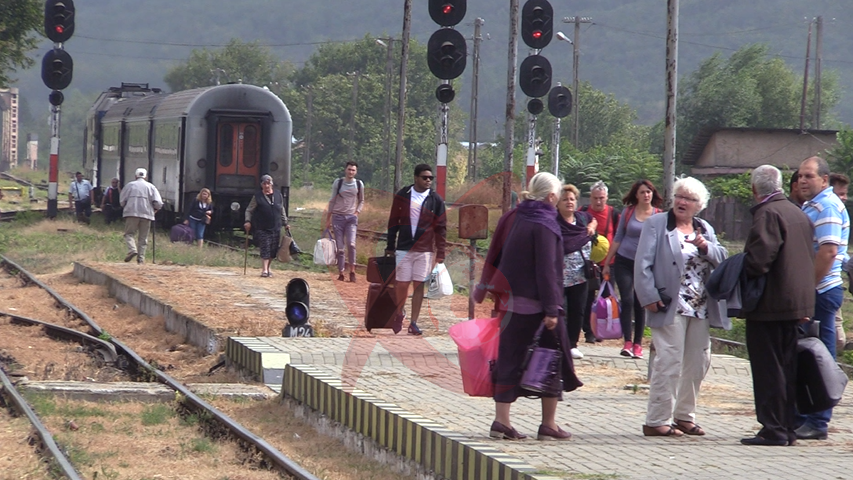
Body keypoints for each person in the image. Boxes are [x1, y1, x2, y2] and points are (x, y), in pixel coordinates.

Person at [475, 172, 582, 441]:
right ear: (551, 196)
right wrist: (551, 308)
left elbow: (494, 251)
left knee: (508, 358)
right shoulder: (545, 223)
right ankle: (548, 424)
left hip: (510, 302)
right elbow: (547, 269)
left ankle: (501, 422)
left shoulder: (513, 216)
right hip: (539, 306)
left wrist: (484, 286)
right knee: (552, 358)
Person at [635, 176, 729, 437]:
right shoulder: (656, 224)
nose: (682, 202)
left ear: (699, 205)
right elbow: (642, 264)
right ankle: (656, 420)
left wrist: (705, 246)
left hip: (700, 305)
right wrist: (649, 296)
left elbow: (722, 258)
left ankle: (685, 416)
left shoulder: (704, 228)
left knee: (698, 362)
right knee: (669, 360)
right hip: (669, 304)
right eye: (679, 196)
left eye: (689, 198)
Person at [740, 165, 815, 446]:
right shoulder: (798, 212)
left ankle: (773, 428)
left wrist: (738, 270)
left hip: (771, 303)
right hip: (797, 303)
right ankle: (787, 427)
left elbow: (759, 260)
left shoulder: (767, 213)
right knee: (787, 367)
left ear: (755, 189)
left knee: (768, 368)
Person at [795, 156, 849, 440]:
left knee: (819, 358)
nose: (803, 181)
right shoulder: (813, 205)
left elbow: (827, 252)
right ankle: (805, 415)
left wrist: (807, 286)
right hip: (815, 290)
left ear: (824, 180)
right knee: (808, 354)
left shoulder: (827, 206)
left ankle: (818, 420)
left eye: (809, 176)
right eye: (801, 176)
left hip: (821, 291)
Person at [602, 180, 664, 359]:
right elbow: (618, 237)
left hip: (645, 265)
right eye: (643, 192)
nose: (646, 195)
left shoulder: (659, 215)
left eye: (649, 192)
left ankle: (638, 344)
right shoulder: (628, 213)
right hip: (624, 261)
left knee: (640, 302)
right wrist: (607, 262)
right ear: (636, 195)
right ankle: (627, 341)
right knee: (627, 299)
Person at [385, 164, 447, 335]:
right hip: (404, 247)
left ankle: (414, 322)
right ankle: (399, 313)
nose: (428, 181)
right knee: (402, 284)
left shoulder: (435, 200)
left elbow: (441, 228)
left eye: (430, 178)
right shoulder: (403, 196)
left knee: (419, 285)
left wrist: (440, 252)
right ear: (415, 178)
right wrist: (390, 245)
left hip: (424, 249)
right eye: (424, 177)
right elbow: (393, 222)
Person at [556, 184, 597, 360]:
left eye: (572, 199)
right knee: (560, 311)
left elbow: (593, 219)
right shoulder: (554, 221)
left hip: (580, 275)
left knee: (577, 311)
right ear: (557, 203)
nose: (569, 202)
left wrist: (592, 226)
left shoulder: (581, 218)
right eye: (564, 199)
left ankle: (572, 344)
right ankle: (559, 343)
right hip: (558, 276)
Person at [580, 181, 621, 344]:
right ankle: (588, 331)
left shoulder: (614, 214)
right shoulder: (582, 213)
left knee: (605, 299)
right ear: (590, 198)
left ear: (607, 198)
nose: (598, 202)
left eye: (601, 198)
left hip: (608, 263)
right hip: (587, 264)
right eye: (595, 198)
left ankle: (601, 330)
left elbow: (619, 237)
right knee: (587, 298)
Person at [325, 162, 365, 283]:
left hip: (351, 218)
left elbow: (362, 200)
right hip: (338, 217)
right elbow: (332, 201)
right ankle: (341, 272)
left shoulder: (359, 184)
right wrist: (328, 218)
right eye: (349, 169)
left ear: (356, 171)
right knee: (340, 247)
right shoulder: (339, 183)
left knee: (351, 244)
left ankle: (352, 271)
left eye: (353, 170)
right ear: (345, 170)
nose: (351, 172)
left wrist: (357, 212)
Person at [244, 175, 289, 278]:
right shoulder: (257, 196)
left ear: (271, 184)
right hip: (262, 226)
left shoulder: (278, 195)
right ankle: (264, 270)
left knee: (273, 249)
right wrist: (247, 221)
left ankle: (268, 268)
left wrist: (285, 223)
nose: (266, 185)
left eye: (268, 183)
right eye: (264, 183)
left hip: (276, 226)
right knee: (265, 247)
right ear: (261, 185)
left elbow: (281, 209)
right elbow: (249, 210)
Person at [120, 168, 163, 264]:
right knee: (143, 238)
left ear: (135, 176)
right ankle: (141, 259)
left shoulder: (129, 185)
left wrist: (125, 207)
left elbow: (122, 200)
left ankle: (132, 249)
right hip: (147, 214)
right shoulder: (151, 187)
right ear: (145, 177)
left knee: (129, 234)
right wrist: (155, 209)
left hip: (132, 213)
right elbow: (158, 202)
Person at [829, 172, 850, 353]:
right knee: (834, 338)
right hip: (825, 284)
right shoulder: (829, 211)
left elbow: (841, 253)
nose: (843, 198)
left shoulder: (841, 214)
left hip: (833, 282)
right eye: (839, 194)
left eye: (845, 194)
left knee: (836, 339)